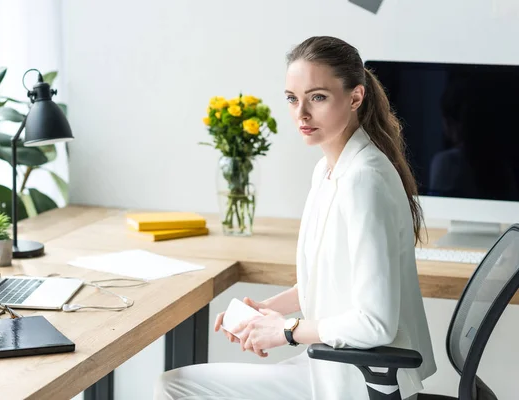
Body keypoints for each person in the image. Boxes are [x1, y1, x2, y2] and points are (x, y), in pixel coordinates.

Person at [154, 36, 437, 400]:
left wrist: (285, 331)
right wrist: (266, 312)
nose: (301, 114)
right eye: (292, 98)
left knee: (174, 387)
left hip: (353, 384)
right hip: (328, 366)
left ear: (355, 97)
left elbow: (375, 325)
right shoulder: (328, 170)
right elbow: (333, 281)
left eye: (317, 97)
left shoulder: (363, 180)